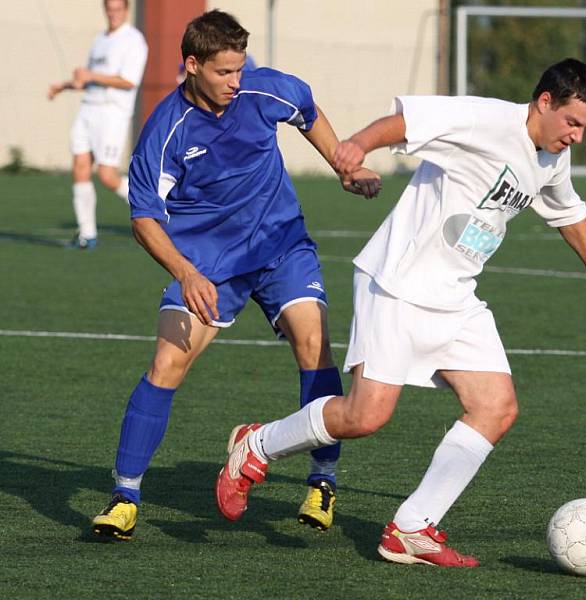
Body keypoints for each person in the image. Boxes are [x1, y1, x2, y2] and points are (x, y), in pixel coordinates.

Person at [216, 57, 586, 567]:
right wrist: (358, 145)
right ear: (544, 102)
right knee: (364, 416)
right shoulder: (485, 120)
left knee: (496, 407)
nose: (576, 136)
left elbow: (568, 210)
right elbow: (408, 121)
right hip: (396, 283)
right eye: (572, 122)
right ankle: (258, 445)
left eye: (585, 129)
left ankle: (411, 528)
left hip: (456, 297)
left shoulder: (551, 155)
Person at [90, 9, 380, 541]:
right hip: (207, 266)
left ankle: (322, 480)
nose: (235, 82)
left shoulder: (261, 90)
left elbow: (307, 110)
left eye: (240, 69)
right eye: (224, 72)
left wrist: (344, 165)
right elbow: (143, 218)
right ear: (192, 65)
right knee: (166, 362)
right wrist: (184, 270)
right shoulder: (166, 128)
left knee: (313, 344)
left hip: (280, 246)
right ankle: (125, 494)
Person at [47, 0, 148, 249]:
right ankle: (87, 234)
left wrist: (91, 76)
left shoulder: (133, 40)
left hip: (112, 112)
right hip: (88, 108)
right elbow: (90, 79)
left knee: (107, 175)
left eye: (118, 9)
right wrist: (66, 85)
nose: (113, 14)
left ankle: (154, 209)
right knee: (80, 166)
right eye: (109, 9)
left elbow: (128, 81)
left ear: (126, 10)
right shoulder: (100, 40)